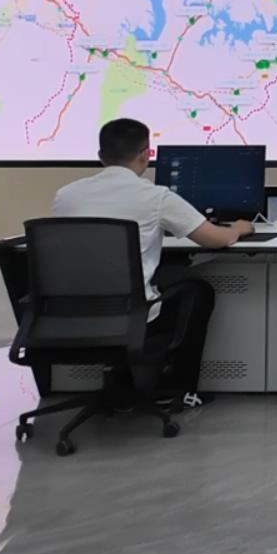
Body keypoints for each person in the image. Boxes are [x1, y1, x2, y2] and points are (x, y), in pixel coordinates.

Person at [50, 118, 249, 409]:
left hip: (70, 317)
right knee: (197, 290)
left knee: (163, 275)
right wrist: (240, 228)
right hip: (131, 320)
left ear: (101, 156)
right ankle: (177, 389)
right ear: (146, 154)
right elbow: (216, 239)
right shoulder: (155, 197)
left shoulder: (66, 195)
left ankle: (122, 384)